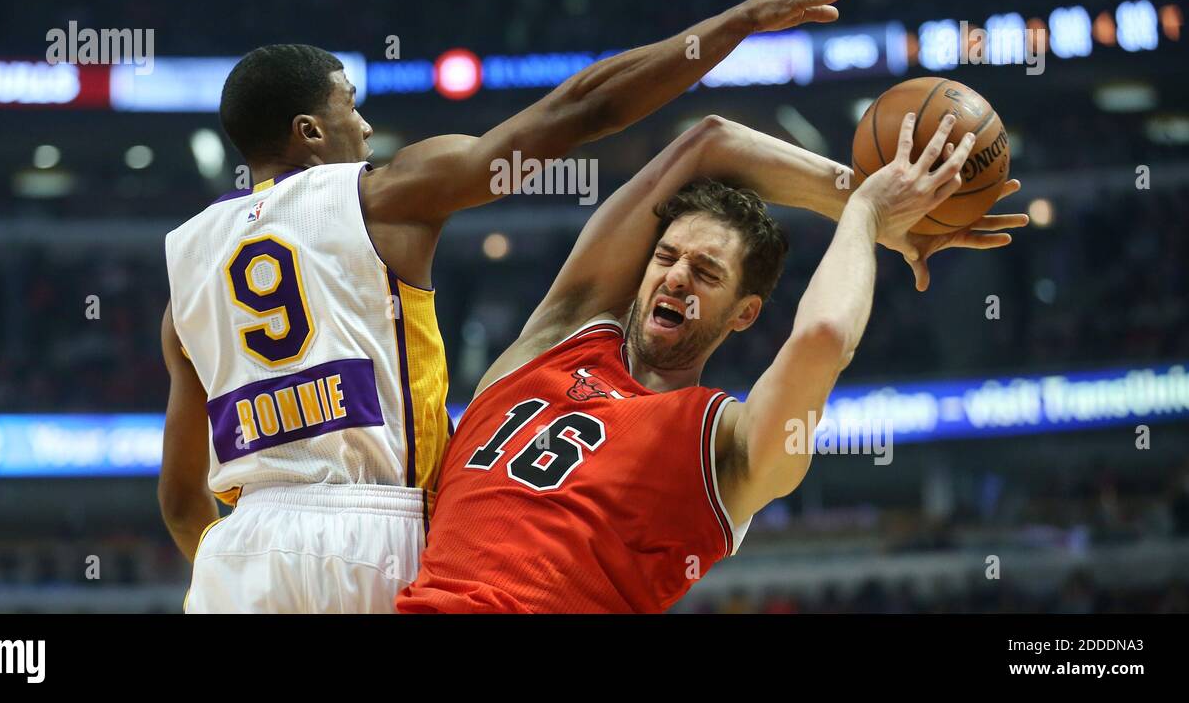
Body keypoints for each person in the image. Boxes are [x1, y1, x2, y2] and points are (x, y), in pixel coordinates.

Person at [156, 0, 879, 612]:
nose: (367, 127)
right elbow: (579, 111)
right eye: (352, 105)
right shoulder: (385, 194)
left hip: (239, 551)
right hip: (370, 530)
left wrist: (244, 571)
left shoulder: (184, 267)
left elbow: (182, 502)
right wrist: (735, 24)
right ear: (310, 130)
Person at [397, 111, 1026, 612]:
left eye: (705, 273)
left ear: (743, 313)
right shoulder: (558, 337)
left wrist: (867, 220)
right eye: (666, 257)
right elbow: (710, 142)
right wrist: (855, 193)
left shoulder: (724, 444)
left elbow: (826, 336)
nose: (675, 278)